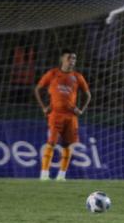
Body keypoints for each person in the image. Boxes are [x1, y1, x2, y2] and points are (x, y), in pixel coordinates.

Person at [34, 48, 91, 181]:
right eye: (69, 58)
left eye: (74, 59)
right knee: (52, 142)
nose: (72, 61)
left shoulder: (77, 77)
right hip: (55, 115)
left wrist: (81, 109)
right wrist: (44, 107)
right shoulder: (53, 73)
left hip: (71, 116)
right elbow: (38, 89)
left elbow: (88, 94)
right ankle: (44, 174)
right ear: (62, 59)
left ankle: (61, 176)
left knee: (68, 145)